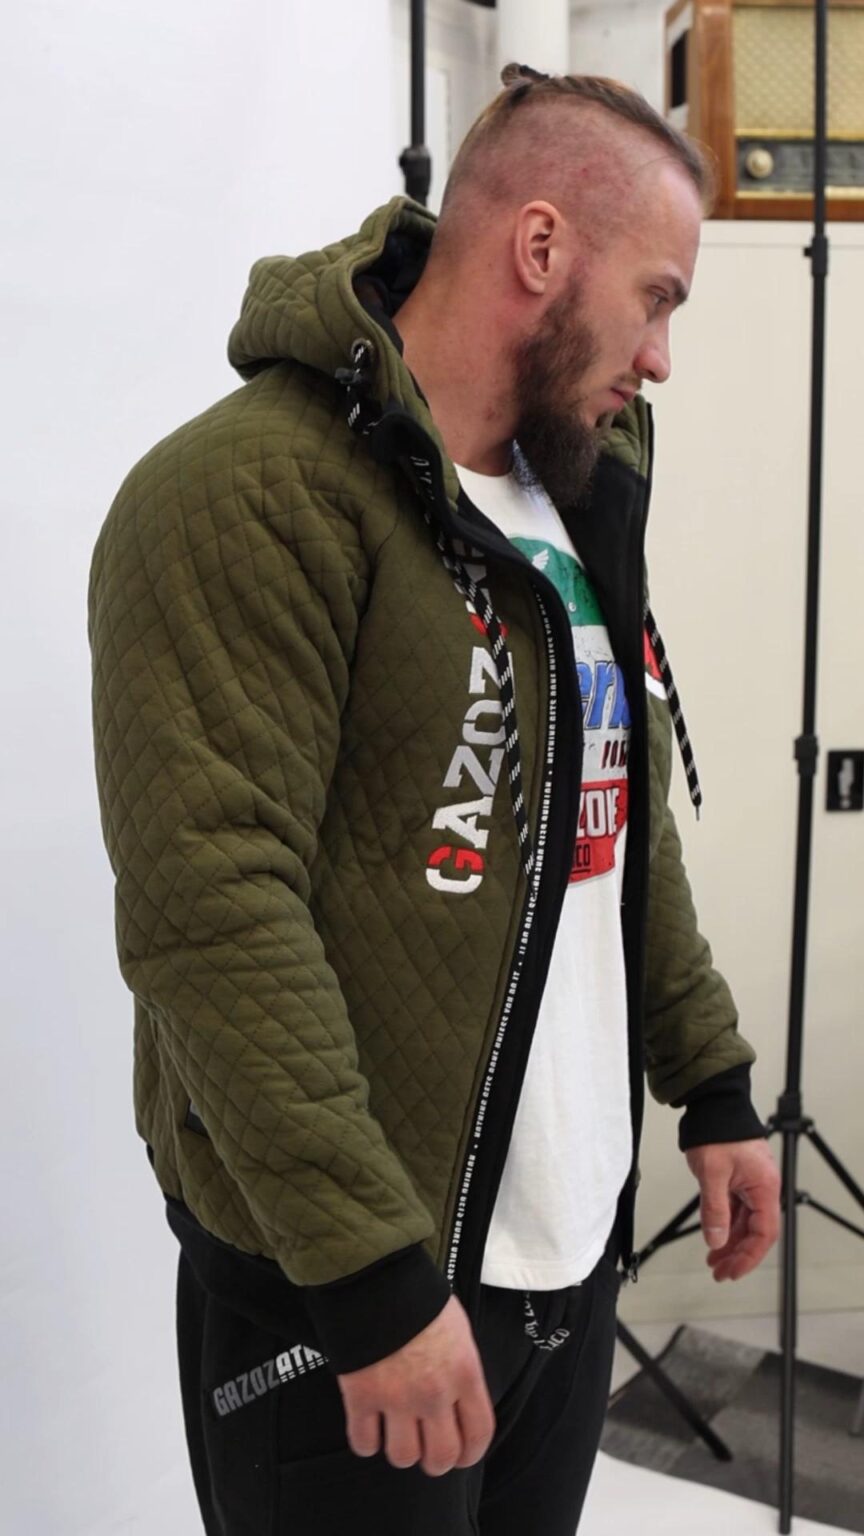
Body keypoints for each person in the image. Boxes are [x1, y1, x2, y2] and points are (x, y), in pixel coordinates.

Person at [88, 64, 781, 1536]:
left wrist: (709, 1082)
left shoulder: (573, 495)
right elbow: (212, 915)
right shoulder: (247, 494)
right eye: (656, 299)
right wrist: (369, 1280)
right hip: (357, 1299)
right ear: (541, 248)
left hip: (565, 1269)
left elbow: (618, 815)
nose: (661, 359)